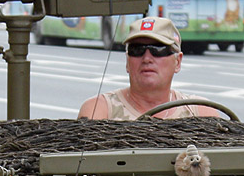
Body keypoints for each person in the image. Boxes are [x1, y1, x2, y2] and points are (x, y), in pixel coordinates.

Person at [77, 17, 222, 120]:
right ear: (127, 61)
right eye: (137, 50)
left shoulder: (200, 112)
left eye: (158, 49)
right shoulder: (100, 111)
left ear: (178, 61)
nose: (147, 58)